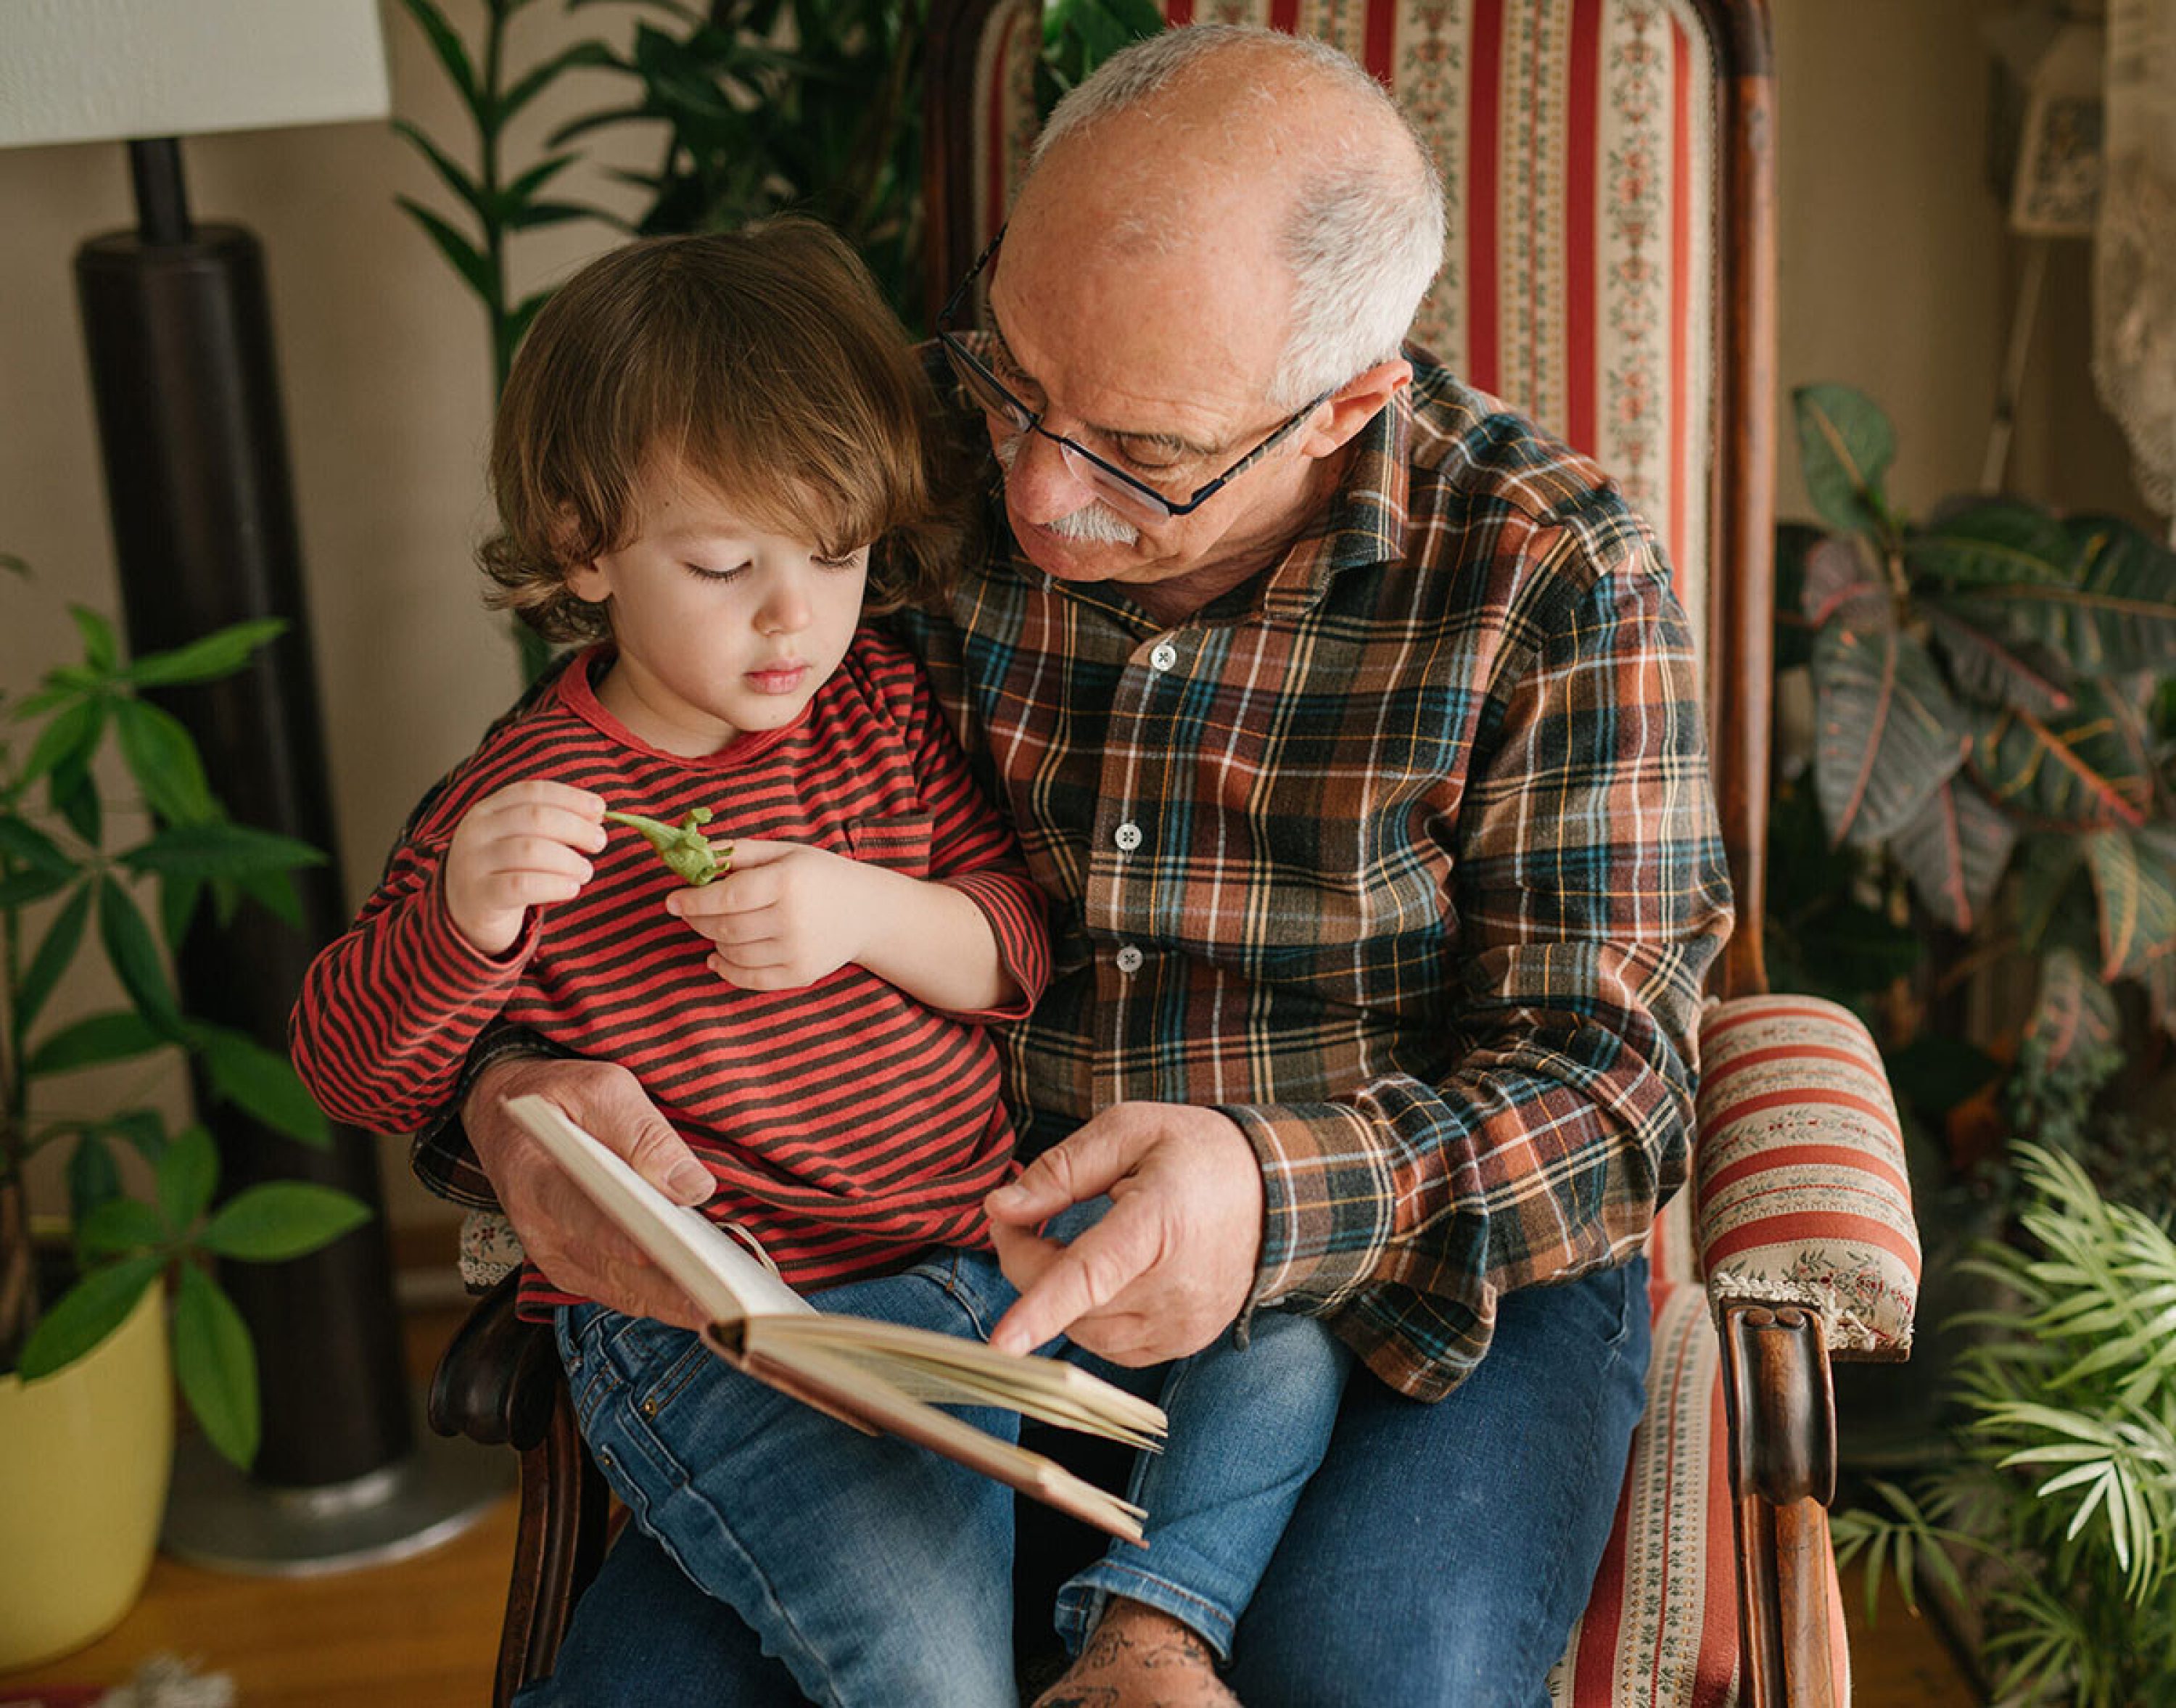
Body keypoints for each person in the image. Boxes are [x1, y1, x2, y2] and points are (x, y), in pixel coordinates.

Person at [417, 25, 1735, 1707]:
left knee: (1354, 1677)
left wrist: (1271, 1195)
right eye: (1014, 375)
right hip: (909, 1262)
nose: (1034, 490)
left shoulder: (1553, 579)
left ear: (1344, 406)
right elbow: (567, 804)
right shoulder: (882, 455)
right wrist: (510, 1097)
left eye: (1141, 455)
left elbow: (1616, 1090)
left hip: (1405, 1273)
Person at [293, 218, 1355, 1708]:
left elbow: (1012, 946)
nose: (796, 613)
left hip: (981, 1266)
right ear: (585, 544)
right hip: (734, 1338)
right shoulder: (525, 809)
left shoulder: (879, 714)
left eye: (838, 553)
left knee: (1280, 1347)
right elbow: (353, 1067)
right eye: (725, 564)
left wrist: (869, 911)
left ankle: (1142, 1639)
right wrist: (458, 927)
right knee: (919, 1660)